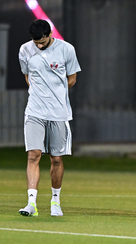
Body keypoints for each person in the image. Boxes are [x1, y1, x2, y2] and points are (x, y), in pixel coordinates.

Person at [18, 19, 81, 217]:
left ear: (50, 34)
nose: (39, 46)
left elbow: (72, 78)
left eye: (42, 42)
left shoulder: (66, 49)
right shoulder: (25, 50)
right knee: (33, 155)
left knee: (56, 159)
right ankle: (31, 204)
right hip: (34, 111)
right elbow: (27, 76)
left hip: (59, 113)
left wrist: (55, 93)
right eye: (36, 42)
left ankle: (55, 202)